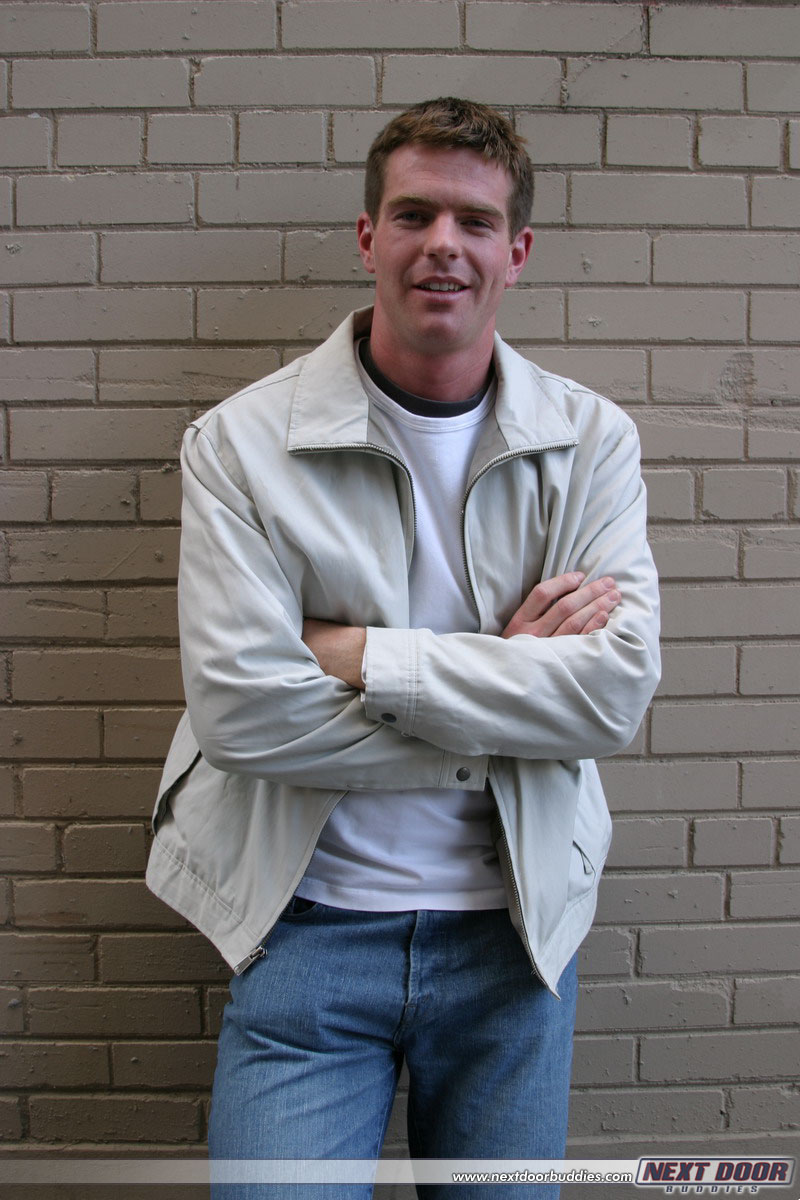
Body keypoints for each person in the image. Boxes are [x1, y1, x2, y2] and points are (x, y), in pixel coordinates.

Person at [147, 97, 660, 1198]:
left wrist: (360, 654)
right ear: (367, 235)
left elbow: (610, 697)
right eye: (414, 214)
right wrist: (509, 685)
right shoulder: (242, 445)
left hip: (512, 941)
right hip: (306, 933)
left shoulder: (589, 443)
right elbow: (241, 713)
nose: (443, 245)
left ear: (516, 252)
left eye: (475, 222)